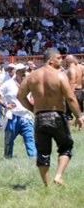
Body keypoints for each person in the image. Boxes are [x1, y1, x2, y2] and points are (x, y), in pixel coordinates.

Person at [17, 49, 84, 187]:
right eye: (59, 58)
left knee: (43, 153)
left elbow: (20, 96)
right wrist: (79, 116)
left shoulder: (31, 76)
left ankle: (46, 186)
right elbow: (70, 98)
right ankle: (58, 176)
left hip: (40, 117)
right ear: (50, 60)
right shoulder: (60, 76)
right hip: (56, 115)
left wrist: (34, 109)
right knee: (66, 147)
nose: (61, 60)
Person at [0, 64, 36, 159]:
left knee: (30, 139)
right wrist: (5, 105)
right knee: (9, 140)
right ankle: (8, 159)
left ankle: (33, 160)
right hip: (12, 116)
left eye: (25, 71)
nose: (24, 73)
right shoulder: (8, 84)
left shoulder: (28, 83)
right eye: (22, 71)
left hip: (26, 116)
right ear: (17, 72)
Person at [64, 55, 83, 120]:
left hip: (74, 92)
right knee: (80, 112)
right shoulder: (81, 67)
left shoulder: (71, 70)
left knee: (68, 114)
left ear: (68, 61)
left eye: (65, 60)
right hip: (80, 91)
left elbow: (73, 82)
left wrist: (69, 94)